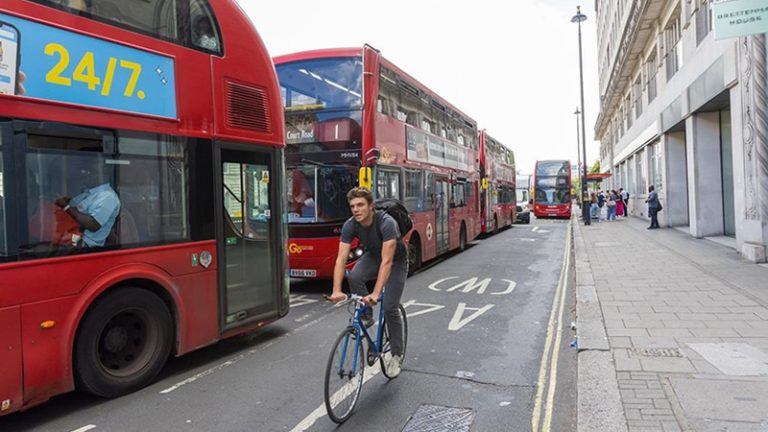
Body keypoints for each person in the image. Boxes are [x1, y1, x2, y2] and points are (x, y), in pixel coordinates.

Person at [328, 187, 408, 378]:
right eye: (352, 206)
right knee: (354, 276)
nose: (356, 209)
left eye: (360, 205)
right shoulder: (350, 225)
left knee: (389, 307)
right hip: (374, 256)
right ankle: (367, 315)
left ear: (371, 206)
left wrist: (375, 293)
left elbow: (387, 261)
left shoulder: (387, 223)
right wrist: (336, 290)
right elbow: (341, 259)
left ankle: (396, 355)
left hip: (396, 260)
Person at [55, 163, 120, 247]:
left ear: (105, 176)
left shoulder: (107, 197)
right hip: (71, 233)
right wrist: (67, 201)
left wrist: (66, 207)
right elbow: (76, 207)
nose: (87, 174)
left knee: (45, 252)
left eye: (92, 172)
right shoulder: (89, 193)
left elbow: (93, 225)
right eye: (86, 171)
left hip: (85, 243)